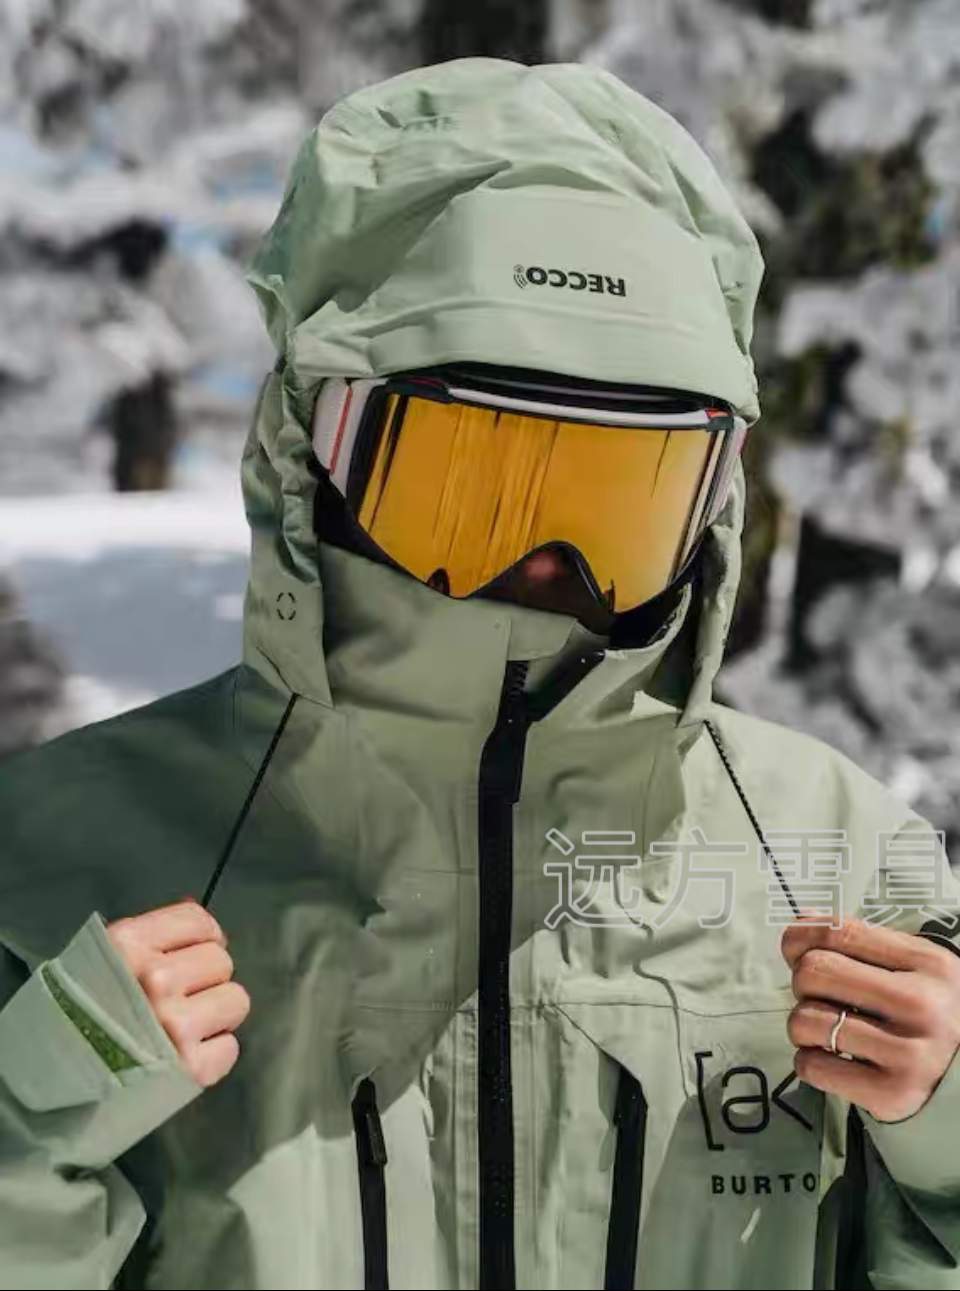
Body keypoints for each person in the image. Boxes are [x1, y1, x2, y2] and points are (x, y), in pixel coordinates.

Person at [1, 59, 959, 1291]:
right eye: (468, 486)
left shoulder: (836, 861)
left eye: (618, 499)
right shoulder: (59, 858)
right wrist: (30, 1114)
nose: (542, 568)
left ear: (711, 503)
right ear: (310, 449)